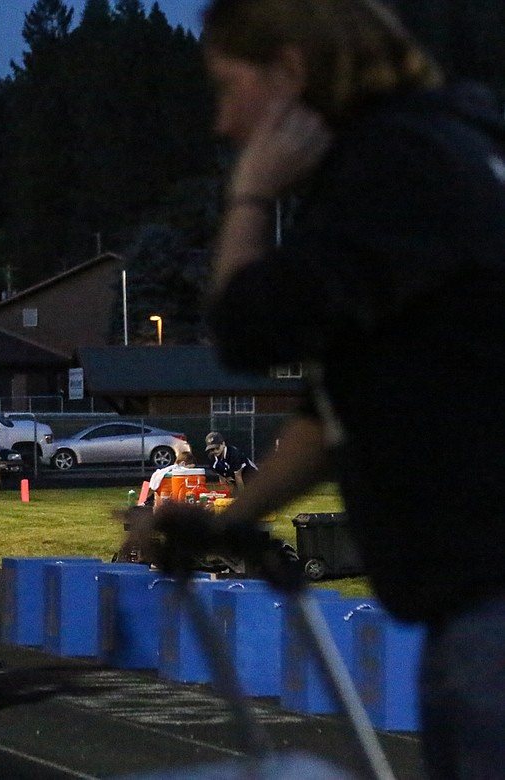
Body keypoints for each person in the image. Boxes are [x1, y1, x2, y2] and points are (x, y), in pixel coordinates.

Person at [152, 1, 505, 777]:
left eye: (227, 87)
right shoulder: (458, 145)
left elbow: (248, 330)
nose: (223, 122)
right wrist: (230, 520)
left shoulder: (389, 167)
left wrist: (250, 194)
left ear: (289, 72)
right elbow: (341, 401)